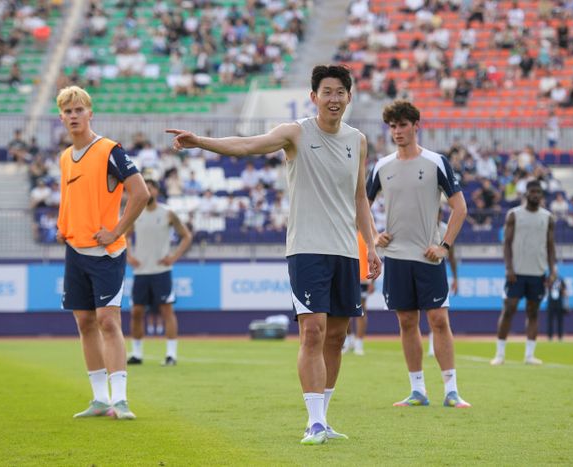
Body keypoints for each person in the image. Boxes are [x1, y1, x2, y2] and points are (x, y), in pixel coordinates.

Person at [166, 65, 381, 445]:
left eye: (340, 92)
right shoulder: (295, 132)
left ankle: (325, 417)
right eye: (326, 92)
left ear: (349, 97)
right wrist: (201, 142)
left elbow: (360, 197)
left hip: (346, 251)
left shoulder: (358, 140)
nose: (333, 99)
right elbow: (247, 145)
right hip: (307, 249)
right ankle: (314, 422)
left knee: (336, 337)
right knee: (312, 332)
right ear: (314, 97)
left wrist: (372, 242)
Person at [366, 100, 471, 409]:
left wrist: (444, 246)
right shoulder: (382, 166)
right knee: (407, 322)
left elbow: (460, 208)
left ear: (416, 126)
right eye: (393, 126)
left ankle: (451, 390)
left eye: (402, 125)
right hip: (396, 258)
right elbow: (361, 205)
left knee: (438, 320)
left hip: (429, 257)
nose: (397, 131)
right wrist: (374, 236)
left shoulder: (436, 162)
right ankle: (417, 391)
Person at [55, 85, 149, 420]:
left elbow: (141, 193)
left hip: (106, 253)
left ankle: (119, 400)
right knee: (84, 322)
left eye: (79, 110)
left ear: (90, 113)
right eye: (68, 111)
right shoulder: (65, 157)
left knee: (108, 321)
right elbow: (71, 199)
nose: (74, 116)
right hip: (75, 250)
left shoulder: (110, 150)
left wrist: (116, 231)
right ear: (61, 117)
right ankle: (99, 399)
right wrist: (64, 226)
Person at [127, 177, 193, 366]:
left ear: (157, 191)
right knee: (136, 312)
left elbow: (186, 236)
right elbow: (124, 236)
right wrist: (129, 256)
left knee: (167, 311)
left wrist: (173, 257)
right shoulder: (135, 213)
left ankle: (171, 354)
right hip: (141, 272)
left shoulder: (167, 213)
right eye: (145, 188)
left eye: (151, 188)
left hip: (161, 271)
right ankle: (137, 353)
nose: (148, 191)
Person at [490, 180, 556, 366]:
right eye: (532, 191)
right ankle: (500, 354)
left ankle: (529, 355)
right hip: (516, 272)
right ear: (526, 193)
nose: (535, 195)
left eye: (538, 192)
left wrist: (552, 270)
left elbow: (551, 246)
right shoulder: (514, 214)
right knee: (509, 309)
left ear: (542, 195)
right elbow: (507, 243)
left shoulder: (548, 217)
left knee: (533, 312)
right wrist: (509, 268)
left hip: (538, 272)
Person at [428, 210, 459, 357]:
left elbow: (451, 256)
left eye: (439, 213)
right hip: (419, 268)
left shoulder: (446, 229)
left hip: (437, 271)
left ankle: (432, 345)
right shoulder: (423, 226)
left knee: (437, 313)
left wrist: (455, 278)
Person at [343, 231, 375, 356]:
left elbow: (372, 256)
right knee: (344, 311)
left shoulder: (365, 233)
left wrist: (372, 281)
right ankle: (349, 340)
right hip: (345, 276)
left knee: (361, 311)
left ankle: (359, 343)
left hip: (362, 278)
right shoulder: (345, 230)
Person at [547, 274, 568, 342]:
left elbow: (565, 292)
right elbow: (545, 287)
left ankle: (560, 336)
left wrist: (566, 304)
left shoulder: (560, 280)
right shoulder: (548, 279)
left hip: (559, 303)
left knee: (560, 320)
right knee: (550, 320)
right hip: (551, 303)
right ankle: (550, 336)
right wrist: (550, 283)